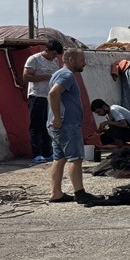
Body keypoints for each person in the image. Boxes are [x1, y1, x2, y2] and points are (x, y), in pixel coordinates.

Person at [46, 48, 101, 206]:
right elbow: (53, 94)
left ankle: (56, 192)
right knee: (75, 158)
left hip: (59, 125)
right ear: (70, 60)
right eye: (81, 60)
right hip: (67, 125)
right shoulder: (66, 75)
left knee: (59, 158)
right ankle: (80, 193)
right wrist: (58, 118)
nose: (84, 63)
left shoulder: (58, 74)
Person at [23, 39, 64, 163]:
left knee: (49, 125)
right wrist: (44, 77)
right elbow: (26, 77)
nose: (54, 57)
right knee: (36, 125)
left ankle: (47, 152)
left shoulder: (55, 61)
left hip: (50, 96)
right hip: (37, 95)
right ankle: (37, 153)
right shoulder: (34, 59)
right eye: (53, 54)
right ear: (47, 50)